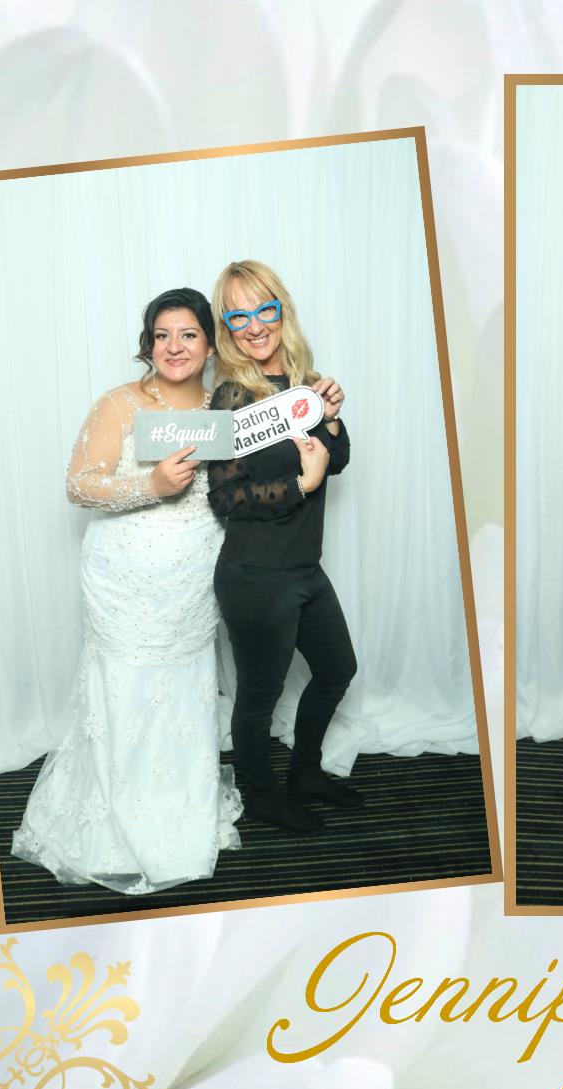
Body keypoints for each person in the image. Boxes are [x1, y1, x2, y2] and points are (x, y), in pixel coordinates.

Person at [10, 288, 242, 892]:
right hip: (124, 580)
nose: (174, 347)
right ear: (148, 345)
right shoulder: (120, 404)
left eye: (188, 335)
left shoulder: (227, 407)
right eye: (162, 335)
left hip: (194, 578)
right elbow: (78, 486)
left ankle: (179, 800)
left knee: (185, 683)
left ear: (209, 344)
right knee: (124, 684)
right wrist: (152, 485)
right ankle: (113, 809)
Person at [206, 260, 357, 835]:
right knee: (259, 695)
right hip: (256, 574)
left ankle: (305, 772)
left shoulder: (301, 384)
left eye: (263, 309)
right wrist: (301, 484)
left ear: (282, 309)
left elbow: (335, 461)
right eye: (237, 316)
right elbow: (225, 496)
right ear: (226, 327)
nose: (254, 326)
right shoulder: (229, 399)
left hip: (304, 568)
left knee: (337, 669)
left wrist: (332, 422)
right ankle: (263, 795)